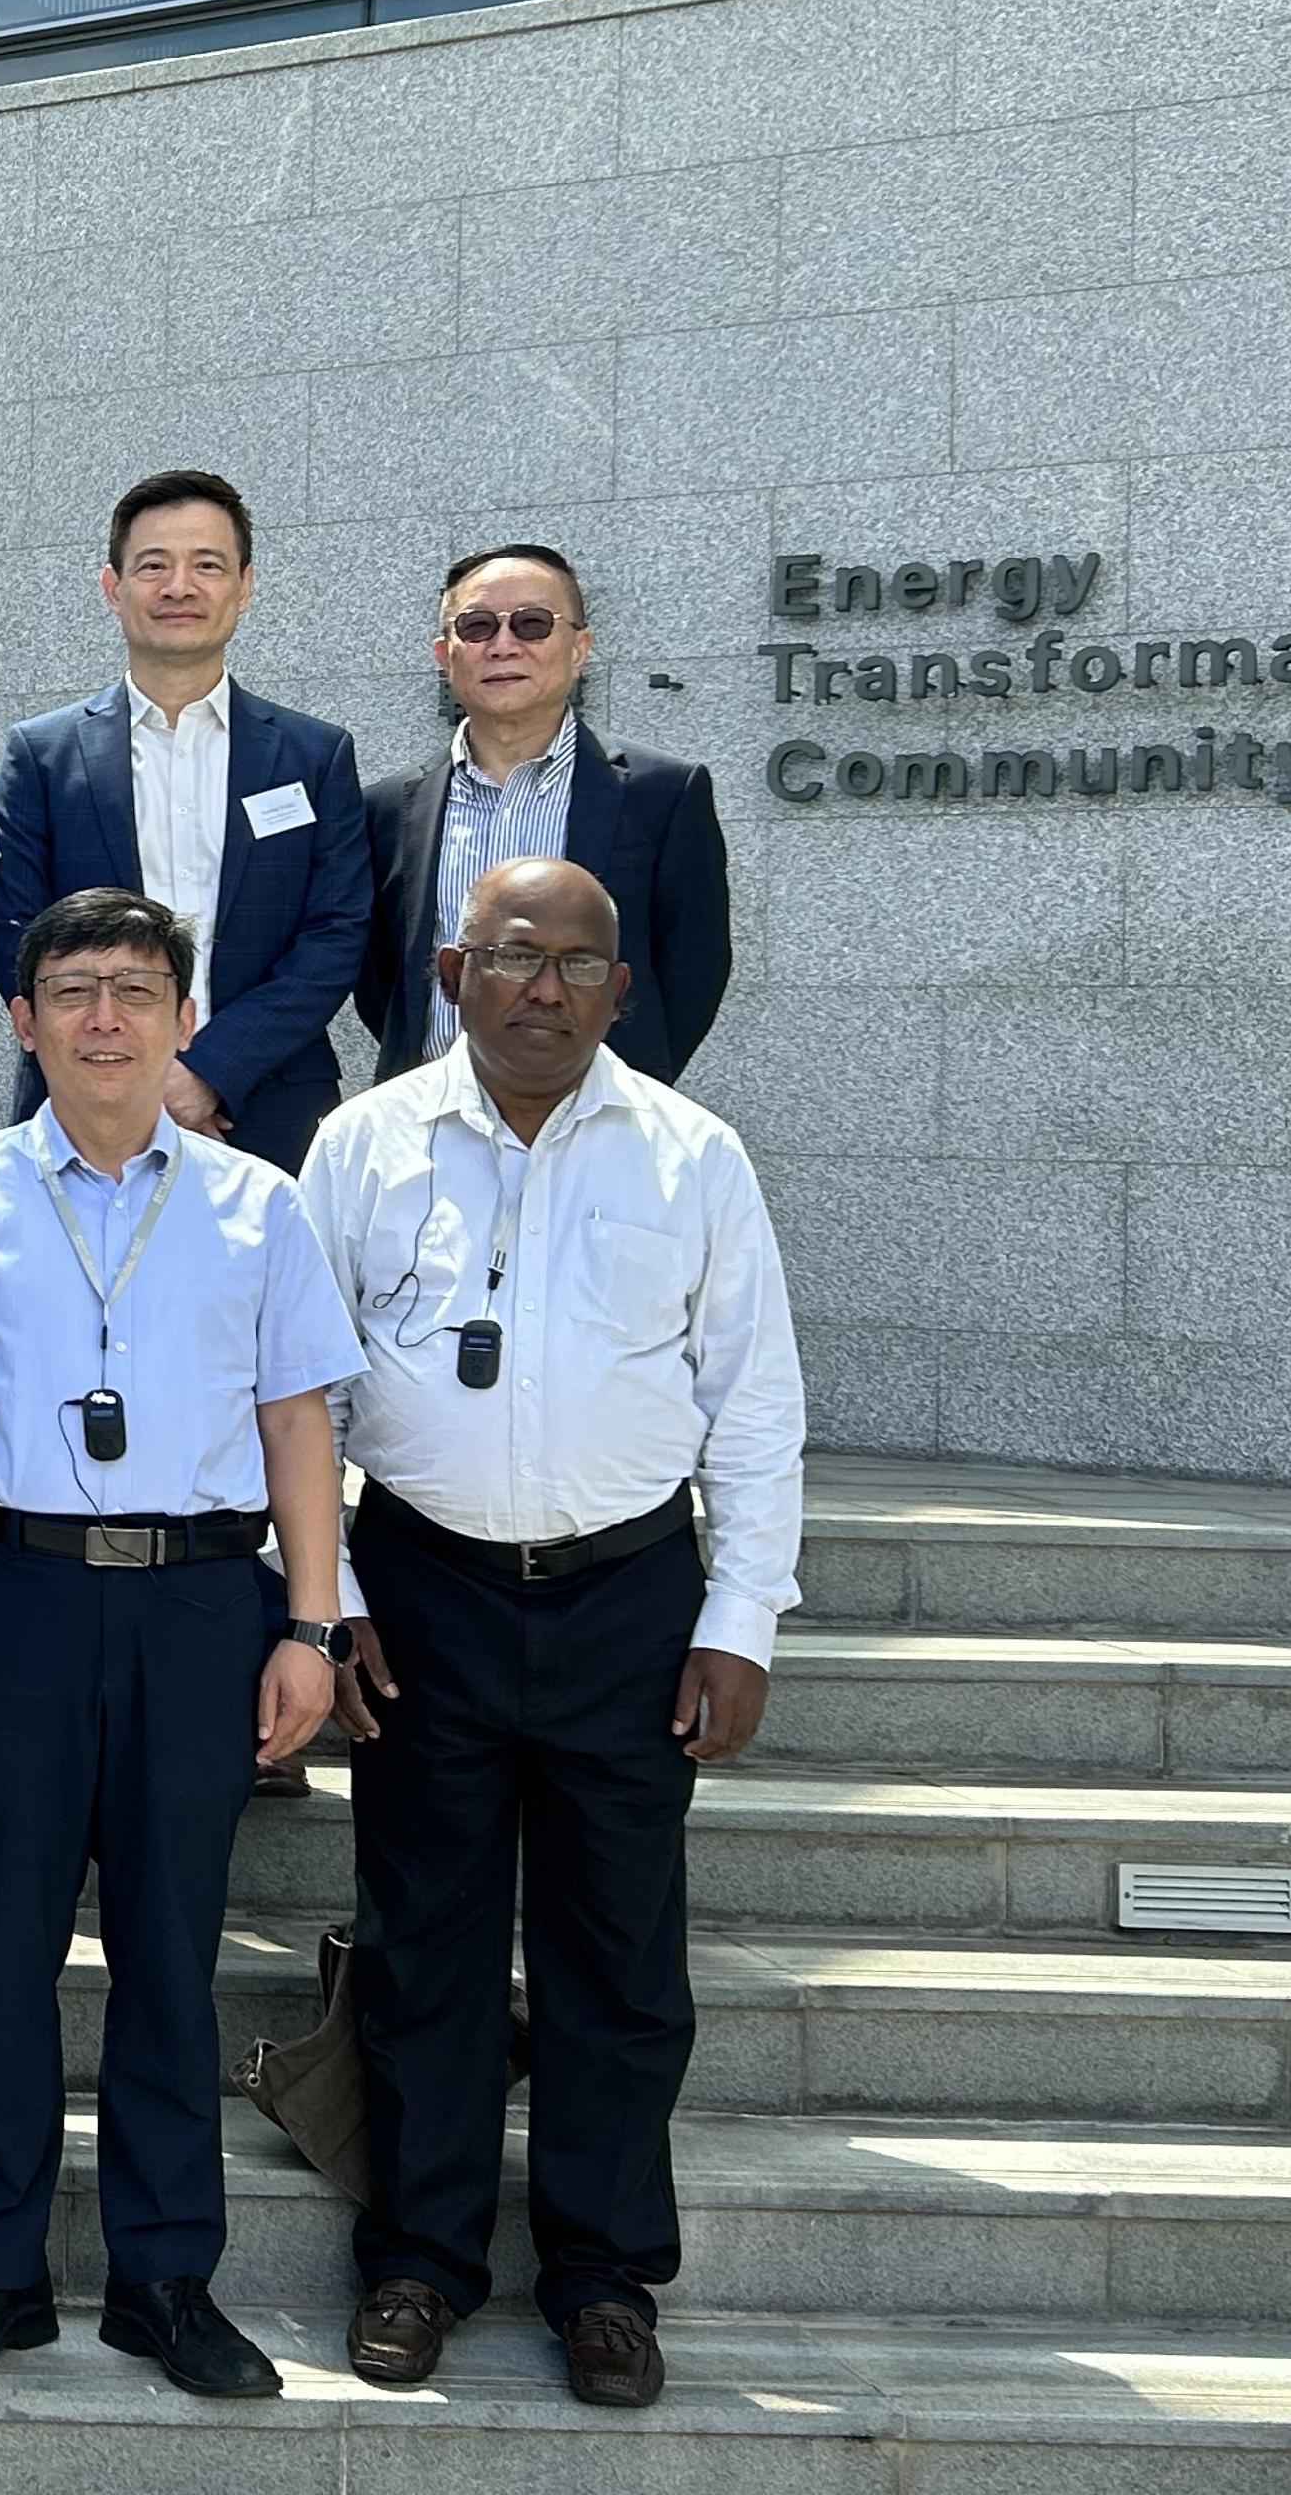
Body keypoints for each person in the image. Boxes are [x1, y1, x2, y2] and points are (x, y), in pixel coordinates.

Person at [302, 856, 806, 2412]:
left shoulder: (692, 1156)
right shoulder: (365, 1144)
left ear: (622, 989)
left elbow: (758, 1403)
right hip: (426, 1596)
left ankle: (603, 2281)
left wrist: (742, 1619)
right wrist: (336, 1602)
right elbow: (293, 1391)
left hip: (629, 1605)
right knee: (425, 1946)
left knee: (618, 1959)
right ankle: (420, 2264)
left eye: (577, 965)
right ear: (454, 972)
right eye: (514, 958)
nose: (544, 988)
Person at [0, 885, 357, 2401]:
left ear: (182, 1019)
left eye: (137, 990)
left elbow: (298, 1422)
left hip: (201, 1605)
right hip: (10, 1594)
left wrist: (312, 1628)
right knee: (0, 1948)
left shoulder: (256, 1204)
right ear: (19, 1020)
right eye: (72, 989)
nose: (103, 1017)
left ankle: (164, 2278)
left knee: (170, 1952)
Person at [0, 469, 370, 1170]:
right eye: (153, 565)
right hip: (80, 1105)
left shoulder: (314, 756)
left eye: (207, 565)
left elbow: (336, 933)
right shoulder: (44, 755)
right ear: (113, 588)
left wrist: (210, 1070)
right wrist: (128, 1071)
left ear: (245, 587)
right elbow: (16, 929)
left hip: (268, 1108)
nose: (179, 587)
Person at [358, 544, 731, 1081]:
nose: (503, 645)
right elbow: (380, 978)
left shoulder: (664, 795)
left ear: (579, 649)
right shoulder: (389, 809)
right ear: (446, 654)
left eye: (532, 624)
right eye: (478, 626)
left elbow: (693, 967)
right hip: (429, 1115)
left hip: (597, 1117)